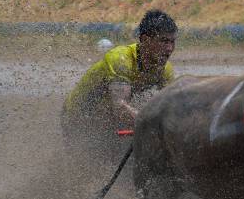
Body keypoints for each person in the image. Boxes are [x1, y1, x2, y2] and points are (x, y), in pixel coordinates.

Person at [62, 10, 177, 155]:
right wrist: (151, 125)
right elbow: (120, 109)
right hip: (78, 116)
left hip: (107, 117)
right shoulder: (121, 59)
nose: (169, 49)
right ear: (145, 39)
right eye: (164, 41)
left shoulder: (165, 70)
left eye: (172, 42)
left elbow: (171, 107)